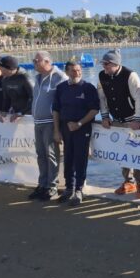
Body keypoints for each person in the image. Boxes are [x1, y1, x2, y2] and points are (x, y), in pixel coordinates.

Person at [97, 49, 140, 198]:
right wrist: (105, 116)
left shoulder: (130, 75)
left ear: (115, 64)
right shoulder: (102, 76)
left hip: (133, 119)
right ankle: (129, 181)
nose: (104, 67)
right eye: (103, 64)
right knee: (123, 152)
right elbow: (101, 98)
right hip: (117, 121)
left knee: (139, 152)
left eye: (106, 64)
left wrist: (138, 119)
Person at [52, 61, 99, 206]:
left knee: (80, 158)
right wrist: (56, 130)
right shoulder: (60, 88)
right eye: (73, 71)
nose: (77, 73)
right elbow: (56, 110)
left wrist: (79, 123)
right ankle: (69, 188)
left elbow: (94, 110)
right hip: (65, 128)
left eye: (79, 70)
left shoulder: (88, 88)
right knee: (68, 158)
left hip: (82, 128)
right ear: (66, 72)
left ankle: (79, 189)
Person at [28, 51, 68, 201]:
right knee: (41, 155)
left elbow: (65, 101)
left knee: (51, 155)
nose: (34, 63)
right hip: (37, 122)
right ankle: (43, 184)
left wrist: (59, 127)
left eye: (36, 61)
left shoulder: (60, 77)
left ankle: (52, 186)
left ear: (47, 61)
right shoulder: (37, 78)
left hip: (51, 123)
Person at [0, 56, 33, 122]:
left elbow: (33, 97)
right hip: (15, 113)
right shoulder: (5, 79)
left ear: (9, 69)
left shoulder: (24, 77)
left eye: (1, 67)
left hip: (28, 115)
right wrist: (4, 111)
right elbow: (6, 98)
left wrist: (21, 113)